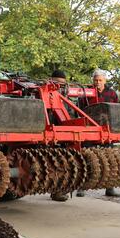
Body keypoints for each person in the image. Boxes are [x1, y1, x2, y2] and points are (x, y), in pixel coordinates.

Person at [77, 69, 120, 198]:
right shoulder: (85, 93)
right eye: (95, 80)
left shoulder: (112, 93)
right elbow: (78, 110)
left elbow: (117, 110)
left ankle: (109, 188)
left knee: (109, 160)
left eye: (100, 80)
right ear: (92, 81)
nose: (97, 82)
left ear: (105, 81)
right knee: (86, 159)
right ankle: (82, 187)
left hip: (107, 132)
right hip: (89, 132)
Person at [50, 69, 70, 202]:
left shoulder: (66, 99)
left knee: (63, 163)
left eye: (62, 84)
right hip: (48, 135)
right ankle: (56, 191)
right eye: (56, 83)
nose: (59, 86)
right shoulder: (42, 94)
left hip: (63, 136)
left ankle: (59, 191)